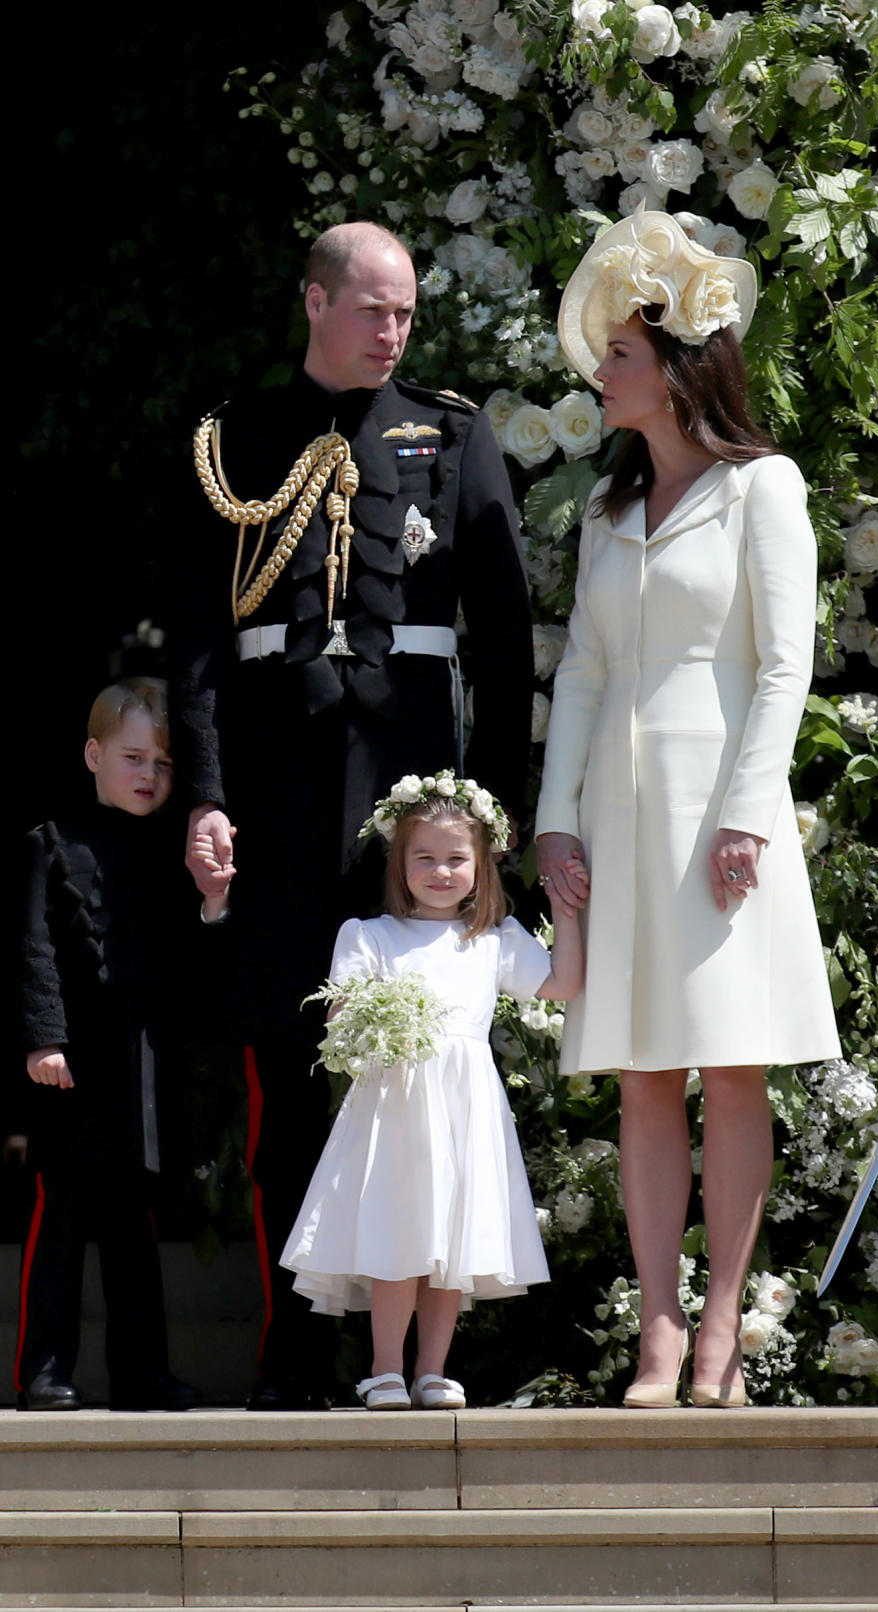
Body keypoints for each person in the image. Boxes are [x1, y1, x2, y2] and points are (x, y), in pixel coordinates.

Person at [171, 221, 534, 1409]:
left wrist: (495, 821)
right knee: (282, 1070)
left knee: (429, 1077)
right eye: (374, 310)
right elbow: (202, 646)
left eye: (408, 314)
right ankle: (295, 1344)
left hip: (410, 804)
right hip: (278, 796)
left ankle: (426, 1353)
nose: (394, 332)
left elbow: (503, 631)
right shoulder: (236, 442)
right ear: (315, 302)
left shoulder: (456, 435)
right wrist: (209, 793)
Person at [535, 208, 841, 1409]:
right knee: (642, 1076)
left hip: (724, 812)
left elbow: (784, 663)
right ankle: (656, 1330)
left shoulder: (765, 487)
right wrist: (556, 819)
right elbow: (584, 673)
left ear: (674, 365)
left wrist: (748, 814)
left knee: (728, 1070)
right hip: (621, 814)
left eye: (618, 353)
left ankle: (721, 1330)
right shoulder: (608, 517)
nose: (600, 371)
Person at [281, 772, 585, 1409]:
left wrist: (566, 910)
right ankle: (384, 1368)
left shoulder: (493, 940)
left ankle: (432, 1369)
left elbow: (561, 986)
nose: (441, 871)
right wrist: (381, 1014)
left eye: (456, 859)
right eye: (425, 858)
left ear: (481, 864)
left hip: (463, 1108)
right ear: (400, 862)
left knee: (451, 1239)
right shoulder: (369, 937)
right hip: (396, 1104)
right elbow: (340, 1017)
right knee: (400, 1234)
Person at [16, 678, 220, 1411]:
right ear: (94, 754)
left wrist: (214, 898)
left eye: (164, 764)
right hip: (72, 1069)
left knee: (134, 1230)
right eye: (134, 757)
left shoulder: (173, 853)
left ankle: (143, 1371)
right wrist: (44, 1041)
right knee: (62, 1222)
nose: (148, 775)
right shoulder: (48, 843)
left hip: (142, 1067)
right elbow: (34, 952)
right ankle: (44, 1369)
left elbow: (194, 957)